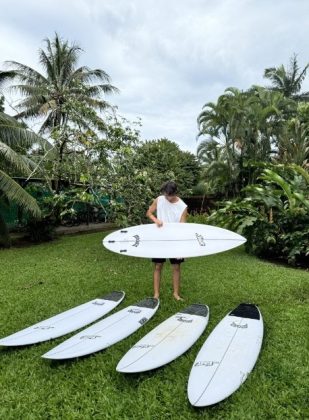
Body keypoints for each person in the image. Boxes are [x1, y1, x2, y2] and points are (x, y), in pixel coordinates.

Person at [146, 181, 188, 301]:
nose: (167, 198)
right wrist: (155, 220)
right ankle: (156, 294)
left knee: (176, 267)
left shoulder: (182, 207)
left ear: (175, 193)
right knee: (158, 266)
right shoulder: (159, 199)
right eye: (166, 195)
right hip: (159, 238)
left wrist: (181, 248)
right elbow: (149, 213)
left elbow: (182, 228)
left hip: (175, 240)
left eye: (170, 195)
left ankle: (176, 294)